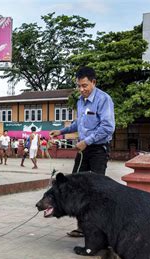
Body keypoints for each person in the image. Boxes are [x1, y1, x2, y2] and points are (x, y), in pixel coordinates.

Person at [50, 66, 115, 238]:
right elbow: (80, 123)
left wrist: (87, 141)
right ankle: (82, 226)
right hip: (83, 149)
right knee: (76, 186)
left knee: (96, 189)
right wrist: (62, 131)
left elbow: (108, 127)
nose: (82, 89)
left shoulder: (103, 99)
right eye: (79, 86)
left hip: (97, 149)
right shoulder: (80, 101)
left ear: (93, 82)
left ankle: (98, 229)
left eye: (85, 85)